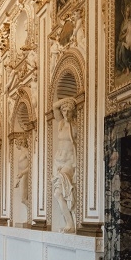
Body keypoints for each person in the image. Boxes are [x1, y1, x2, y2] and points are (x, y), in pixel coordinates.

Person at [52, 97, 77, 233]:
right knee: (58, 194)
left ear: (73, 112)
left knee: (59, 193)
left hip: (69, 162)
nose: (66, 113)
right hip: (58, 162)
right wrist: (69, 100)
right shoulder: (61, 124)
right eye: (64, 111)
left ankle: (71, 223)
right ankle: (68, 223)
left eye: (68, 111)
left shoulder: (76, 127)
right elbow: (54, 106)